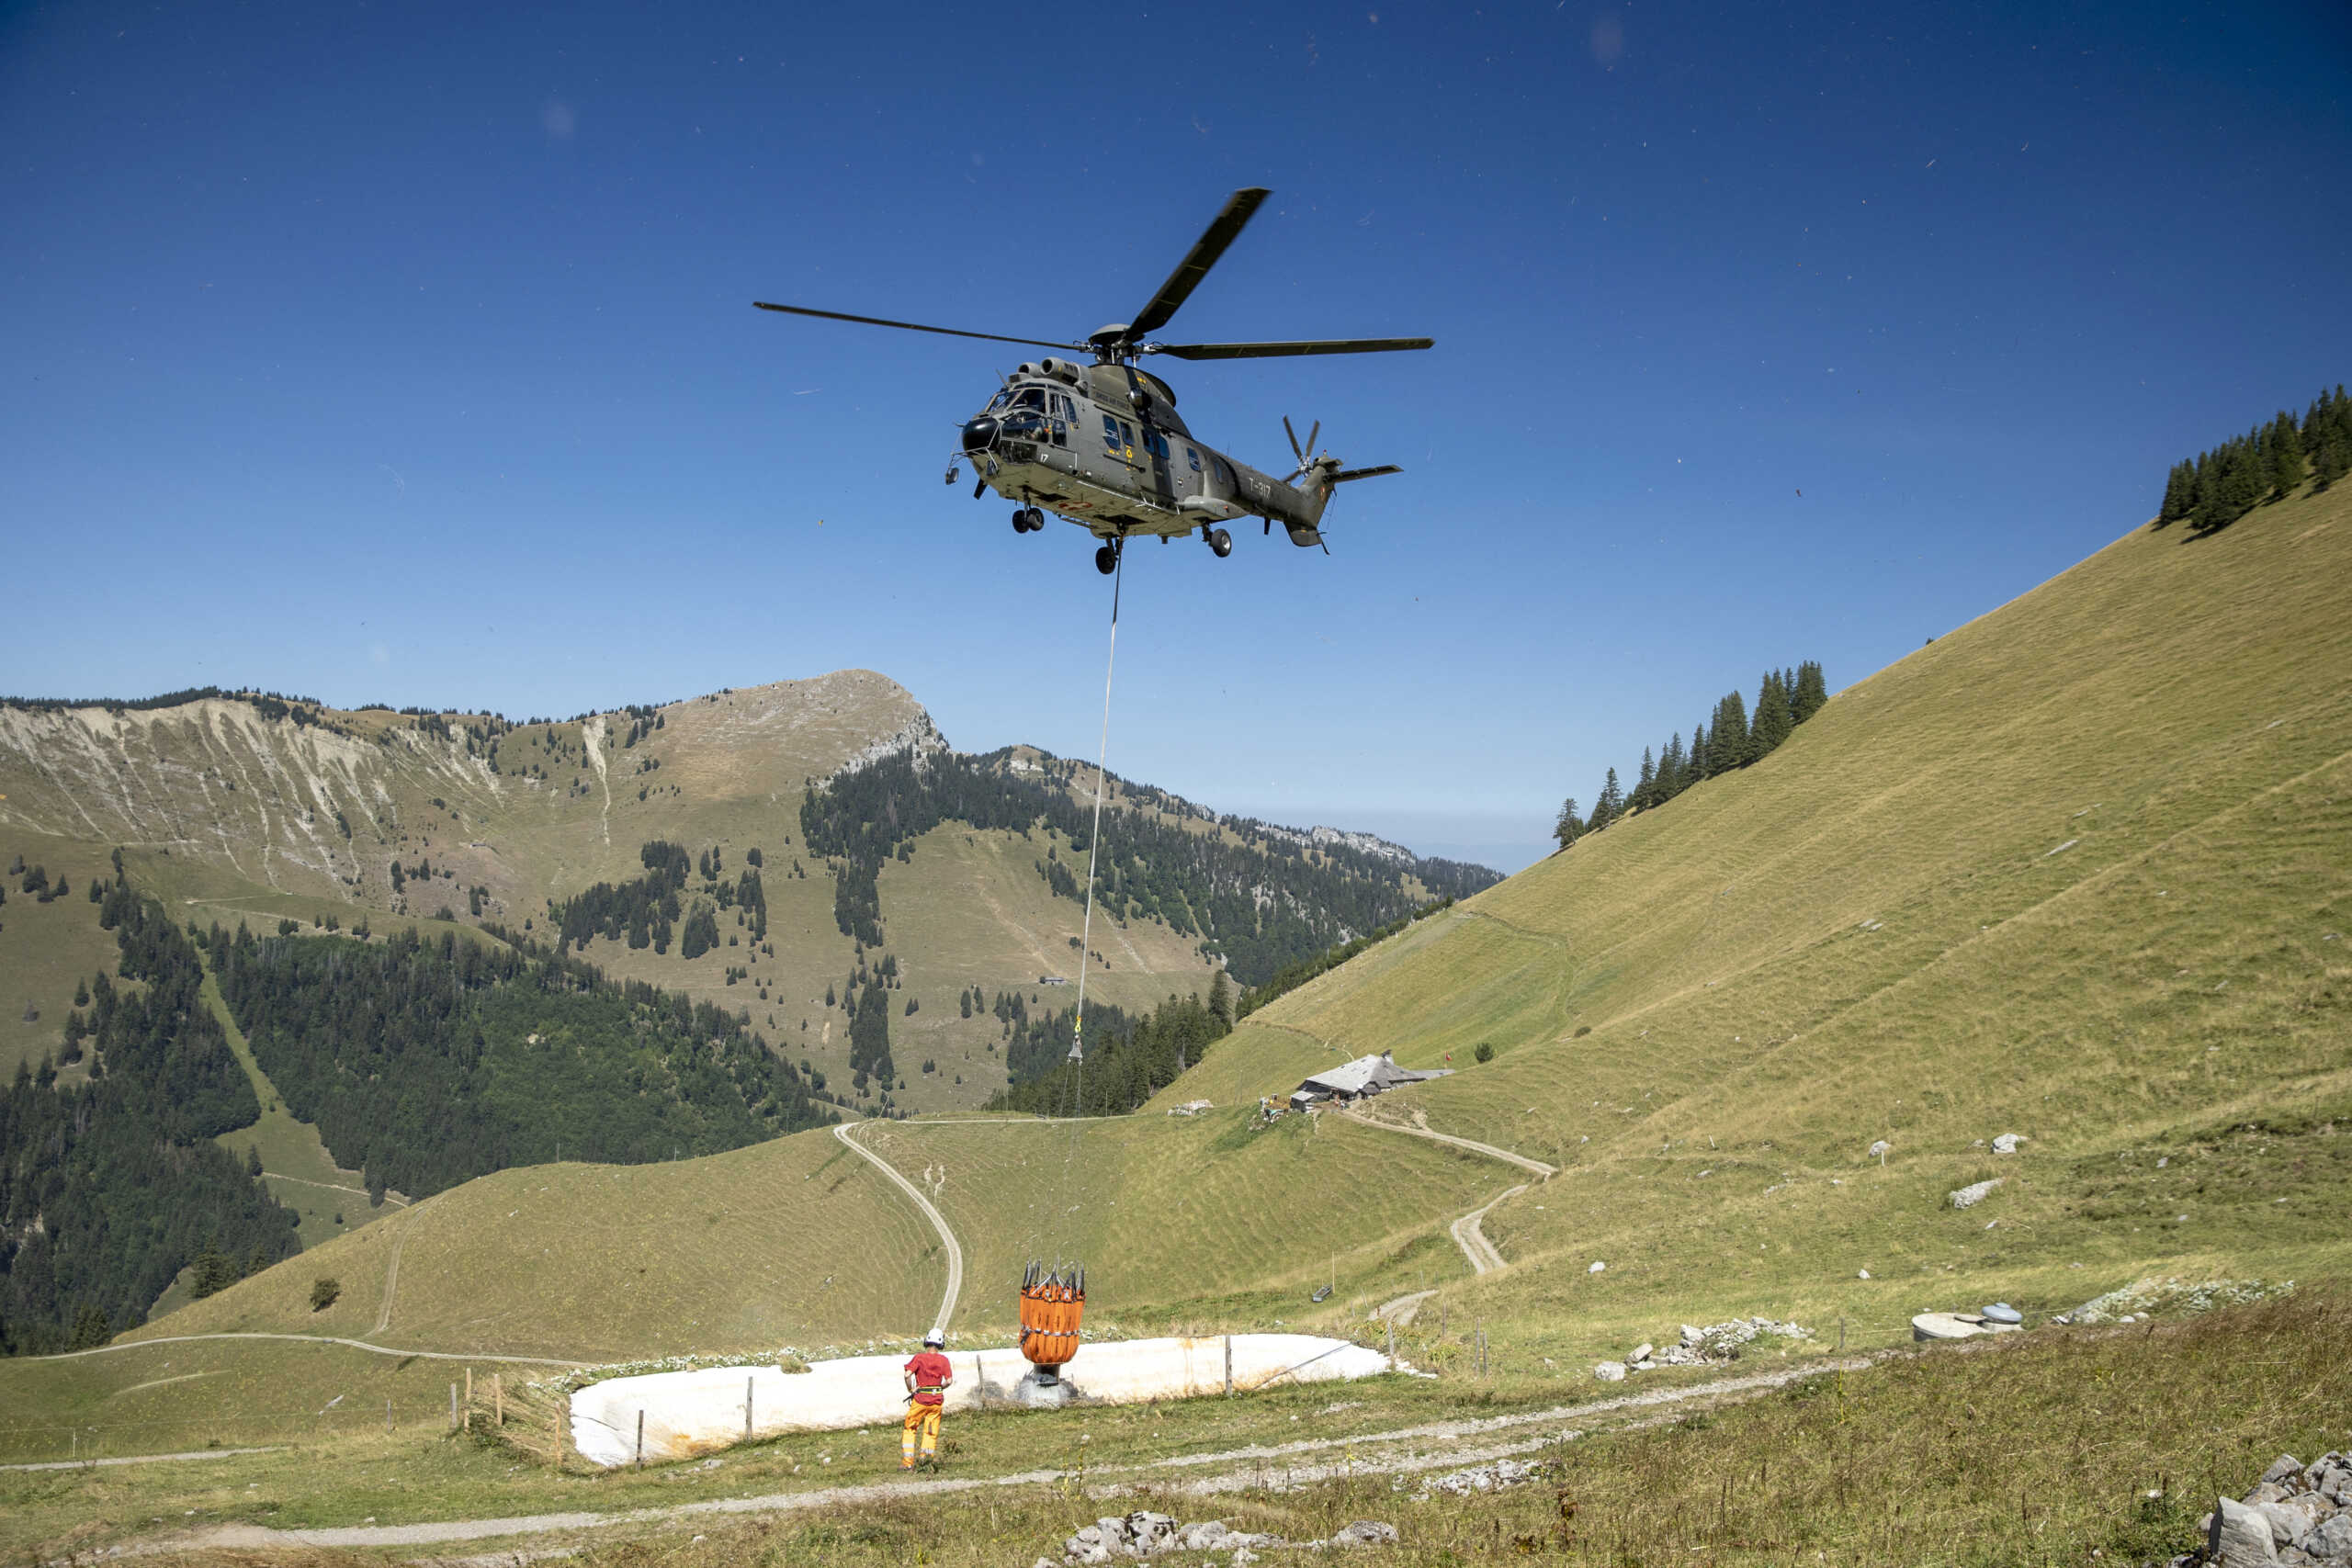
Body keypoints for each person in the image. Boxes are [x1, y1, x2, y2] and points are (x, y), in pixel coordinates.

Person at [901, 1333, 952, 1470]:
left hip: (920, 1401)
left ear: (926, 1342)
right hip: (936, 1402)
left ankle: (908, 1463)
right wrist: (940, 1387)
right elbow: (949, 1381)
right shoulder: (944, 1360)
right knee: (931, 1431)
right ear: (941, 1344)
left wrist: (911, 1389)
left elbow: (907, 1375)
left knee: (910, 1428)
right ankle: (926, 1460)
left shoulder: (919, 1358)